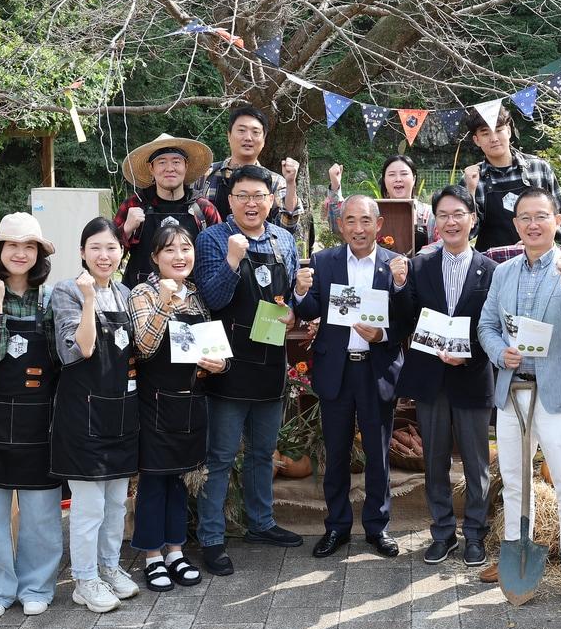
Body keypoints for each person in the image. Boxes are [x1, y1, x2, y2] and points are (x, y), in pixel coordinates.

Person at [477, 187, 561, 606]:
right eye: (525, 217)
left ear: (557, 221)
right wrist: (499, 352)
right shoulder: (504, 271)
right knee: (514, 480)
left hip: (557, 392)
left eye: (541, 216)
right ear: (516, 225)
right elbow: (487, 326)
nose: (533, 224)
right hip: (513, 387)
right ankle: (514, 550)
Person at [193, 164, 304, 574]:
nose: (251, 203)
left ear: (271, 200)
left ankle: (261, 523)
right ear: (230, 200)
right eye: (242, 196)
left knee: (261, 452)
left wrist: (293, 312)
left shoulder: (283, 238)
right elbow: (213, 298)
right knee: (220, 456)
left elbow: (287, 296)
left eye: (259, 195)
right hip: (227, 361)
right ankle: (211, 537)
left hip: (271, 360)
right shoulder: (212, 238)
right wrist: (231, 259)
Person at [293, 195, 412, 559]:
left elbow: (408, 318)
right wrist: (300, 290)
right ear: (340, 225)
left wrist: (386, 332)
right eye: (350, 221)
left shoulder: (396, 265)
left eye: (365, 221)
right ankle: (337, 527)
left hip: (376, 370)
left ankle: (378, 528)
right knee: (337, 452)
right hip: (337, 369)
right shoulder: (324, 262)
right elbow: (310, 308)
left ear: (378, 225)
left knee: (378, 453)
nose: (358, 228)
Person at [0, 213, 61, 620]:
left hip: (41, 420)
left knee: (41, 514)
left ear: (38, 253)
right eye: (12, 245)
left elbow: (62, 357)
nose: (20, 253)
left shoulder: (54, 298)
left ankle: (38, 585)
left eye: (28, 246)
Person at [394, 185, 497, 566]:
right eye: (443, 215)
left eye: (458, 214)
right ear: (434, 223)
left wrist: (467, 354)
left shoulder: (492, 270)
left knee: (476, 462)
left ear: (472, 219)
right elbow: (406, 320)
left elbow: (495, 325)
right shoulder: (419, 266)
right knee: (434, 460)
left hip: (471, 375)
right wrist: (401, 286)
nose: (451, 221)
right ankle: (441, 532)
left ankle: (474, 533)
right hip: (430, 378)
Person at [48, 217, 140, 614]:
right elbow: (79, 350)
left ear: (122, 253)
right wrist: (88, 300)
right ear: (83, 252)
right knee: (89, 507)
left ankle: (109, 566)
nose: (105, 255)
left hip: (119, 410)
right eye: (96, 248)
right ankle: (84, 580)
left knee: (117, 502)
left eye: (112, 248)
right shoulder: (67, 291)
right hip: (82, 414)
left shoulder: (124, 292)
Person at [128, 224, 226, 592]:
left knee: (180, 480)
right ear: (155, 257)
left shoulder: (197, 296)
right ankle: (152, 556)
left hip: (190, 401)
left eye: (186, 248)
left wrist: (220, 364)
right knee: (154, 480)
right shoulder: (143, 293)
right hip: (154, 402)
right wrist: (167, 303)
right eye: (169, 250)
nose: (180, 256)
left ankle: (175, 550)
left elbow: (212, 346)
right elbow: (145, 346)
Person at [113, 133, 220, 287]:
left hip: (192, 300)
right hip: (141, 300)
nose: (170, 168)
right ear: (151, 168)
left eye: (176, 162)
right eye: (162, 162)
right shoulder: (134, 205)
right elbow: (109, 257)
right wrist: (126, 229)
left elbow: (218, 257)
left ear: (186, 165)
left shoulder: (203, 209)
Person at [461, 107, 561, 251]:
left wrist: (538, 240)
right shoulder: (473, 178)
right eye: (485, 133)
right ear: (476, 140)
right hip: (493, 264)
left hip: (540, 258)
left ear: (508, 131)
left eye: (499, 130)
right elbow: (467, 231)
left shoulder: (538, 168)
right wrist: (470, 190)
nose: (494, 138)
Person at [192, 105, 307, 239]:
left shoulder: (275, 182)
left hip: (259, 255)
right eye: (241, 130)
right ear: (229, 136)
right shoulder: (204, 174)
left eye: (255, 132)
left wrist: (291, 183)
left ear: (264, 140)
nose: (248, 138)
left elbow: (287, 227)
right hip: (210, 253)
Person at [325, 155, 436, 252]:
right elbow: (340, 227)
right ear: (384, 180)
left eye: (404, 174)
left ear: (414, 179)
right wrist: (335, 185)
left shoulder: (430, 213)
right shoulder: (370, 210)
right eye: (392, 175)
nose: (398, 179)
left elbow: (442, 245)